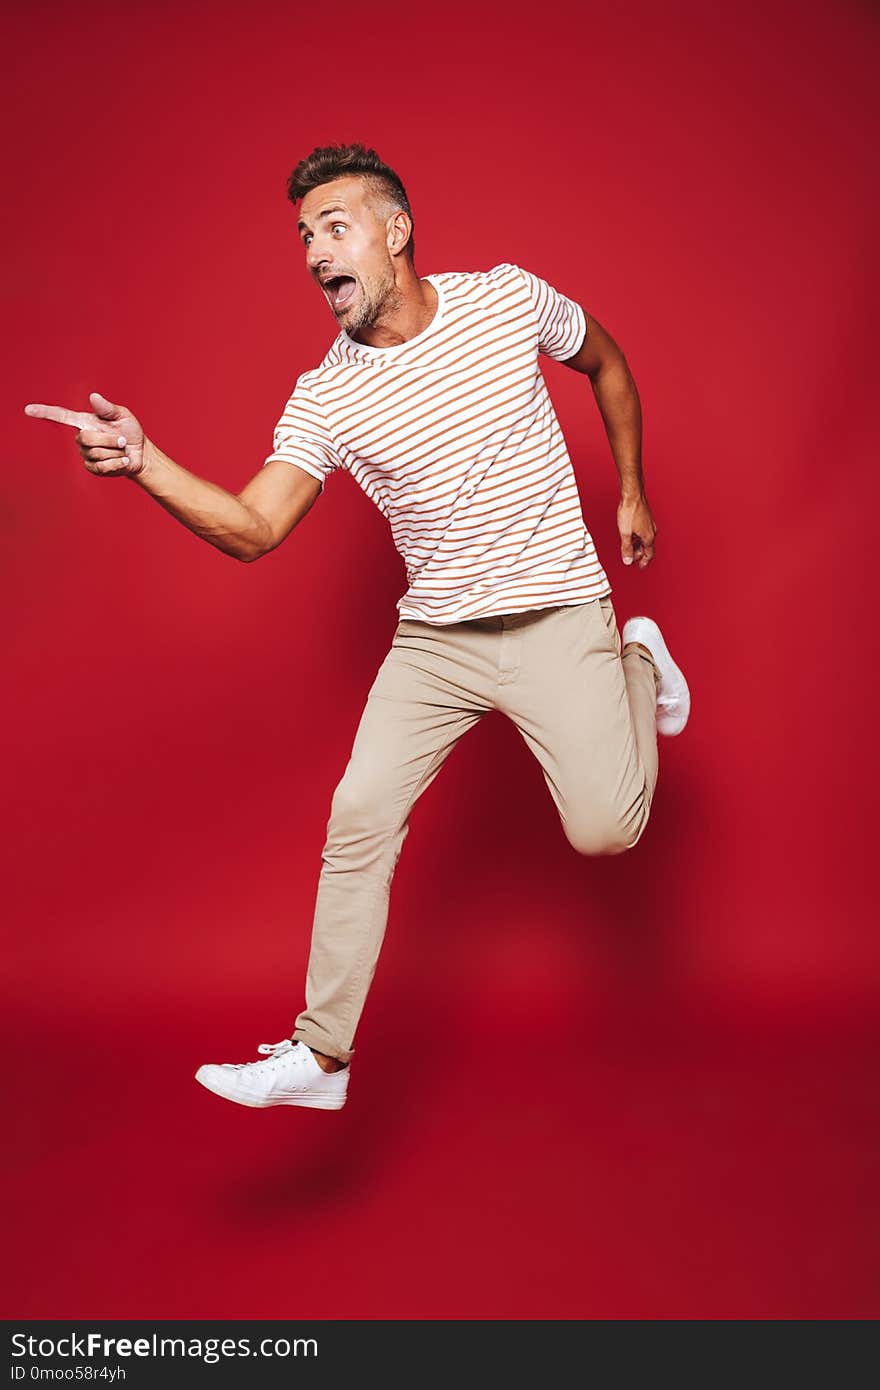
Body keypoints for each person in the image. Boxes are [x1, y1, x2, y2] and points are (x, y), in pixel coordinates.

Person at [24, 142, 690, 1113]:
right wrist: (145, 464)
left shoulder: (506, 300)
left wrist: (630, 490)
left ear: (396, 231)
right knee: (358, 815)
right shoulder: (326, 393)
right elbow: (253, 528)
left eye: (333, 228)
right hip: (436, 645)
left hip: (558, 613)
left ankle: (636, 655)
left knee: (606, 830)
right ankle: (321, 1055)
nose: (312, 253)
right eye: (303, 236)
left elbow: (606, 361)